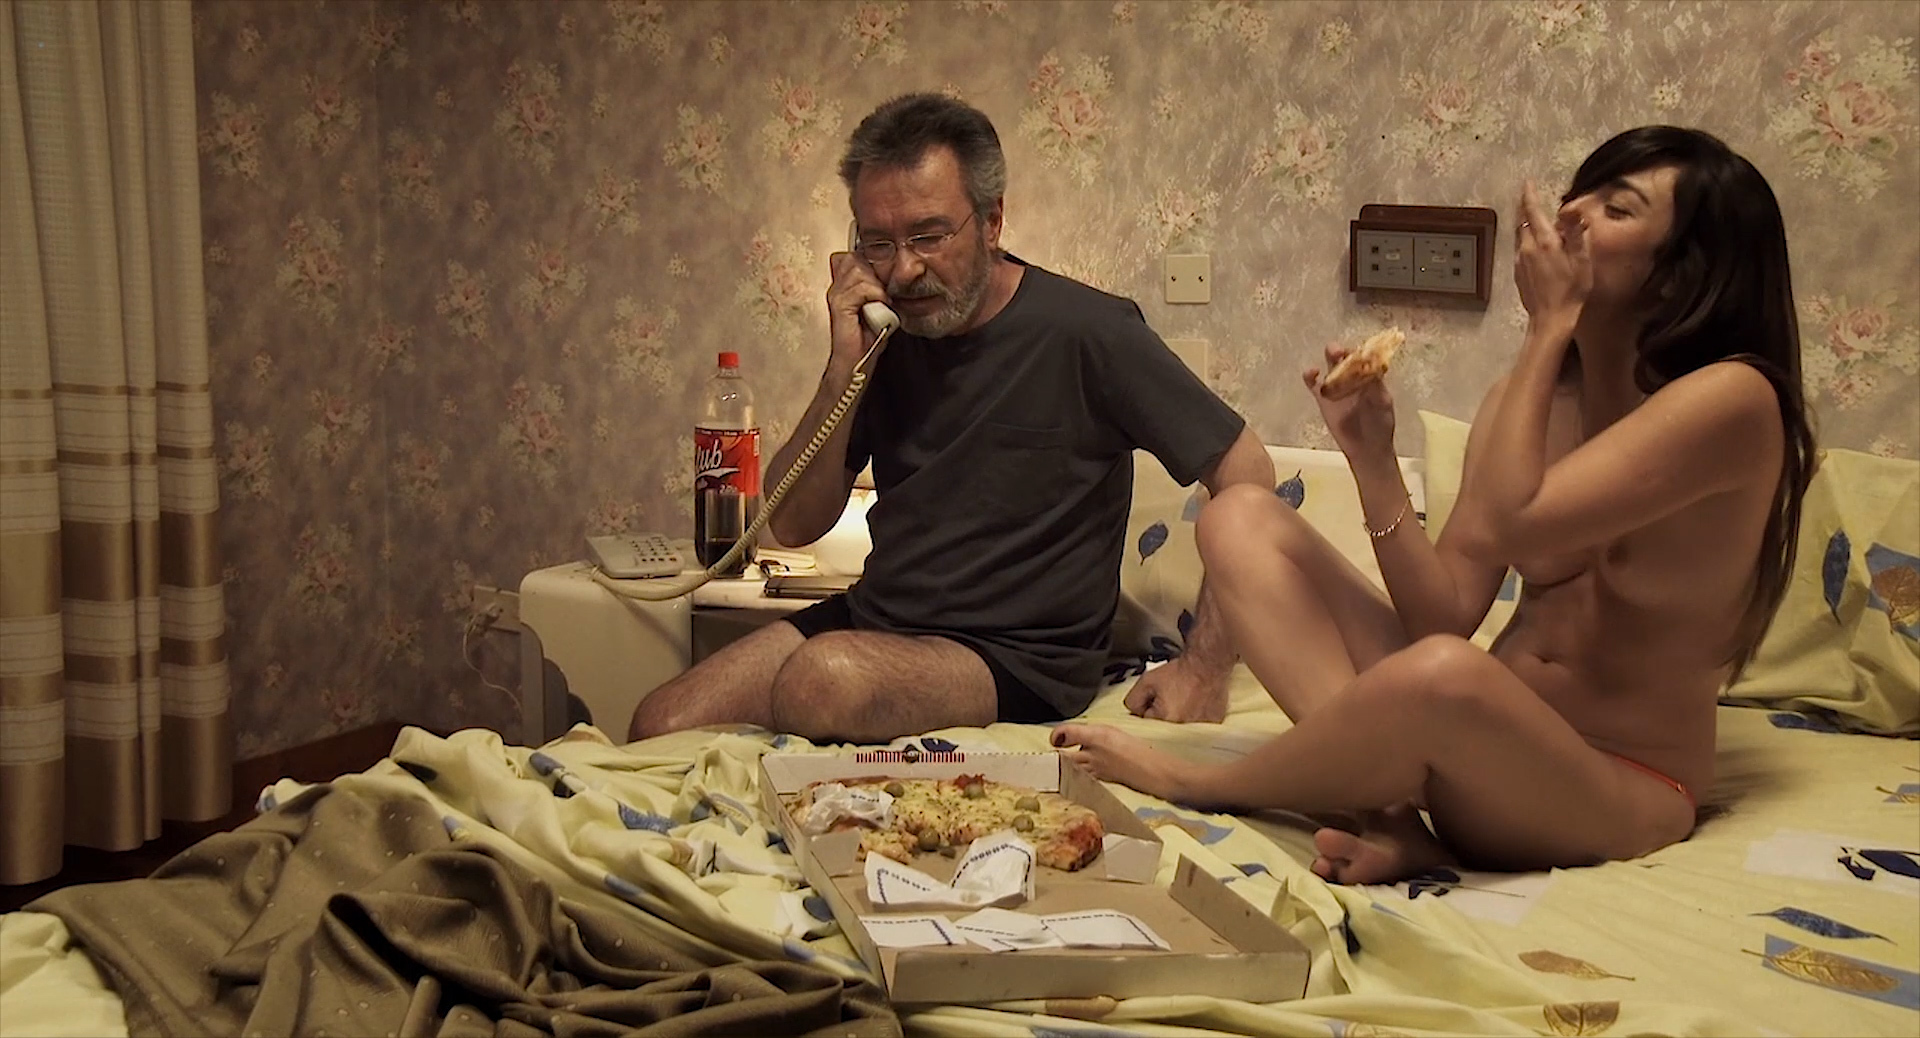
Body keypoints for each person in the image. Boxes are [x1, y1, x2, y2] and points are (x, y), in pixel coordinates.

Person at [1053, 126, 1817, 884]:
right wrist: (1374, 460)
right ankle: (1384, 815)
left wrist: (1548, 326)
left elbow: (1514, 522)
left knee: (1446, 674)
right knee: (1239, 518)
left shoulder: (1735, 401)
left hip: (1615, 786)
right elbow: (1443, 613)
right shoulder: (1528, 402)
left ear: (1682, 276)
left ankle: (1202, 783)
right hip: (1468, 751)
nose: (1570, 215)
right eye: (1576, 196)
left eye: (1616, 209)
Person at [629, 93, 1273, 746]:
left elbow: (1246, 470)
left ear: (992, 221)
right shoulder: (886, 338)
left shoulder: (1090, 332)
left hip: (1020, 660)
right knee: (660, 723)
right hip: (875, 623)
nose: (904, 269)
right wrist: (844, 363)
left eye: (928, 236)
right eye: (878, 243)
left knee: (820, 681)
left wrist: (1206, 665)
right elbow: (792, 526)